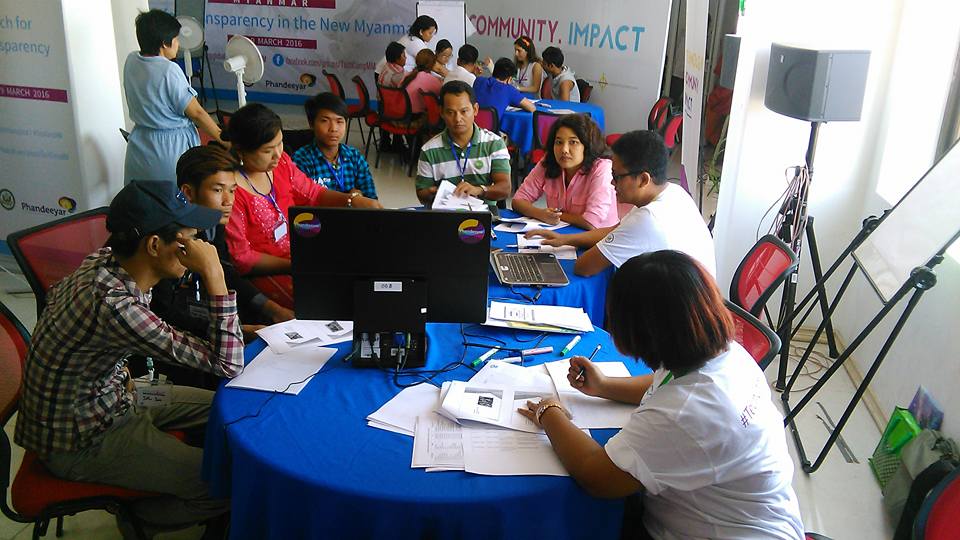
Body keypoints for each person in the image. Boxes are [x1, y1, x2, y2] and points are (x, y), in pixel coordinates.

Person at [518, 250, 805, 540]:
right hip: (757, 518)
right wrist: (604, 386)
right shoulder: (727, 355)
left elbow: (596, 477)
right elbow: (664, 384)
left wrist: (549, 412)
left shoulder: (686, 412)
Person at [15, 180, 244, 539]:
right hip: (84, 440)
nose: (200, 247)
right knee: (233, 482)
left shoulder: (106, 260)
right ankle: (140, 518)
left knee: (228, 406)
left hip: (115, 398)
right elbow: (228, 364)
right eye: (188, 239)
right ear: (154, 245)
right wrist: (213, 273)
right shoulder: (115, 306)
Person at [222, 104, 381, 306]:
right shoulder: (232, 192)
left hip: (299, 251)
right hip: (271, 269)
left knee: (359, 268)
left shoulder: (281, 165)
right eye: (268, 150)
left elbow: (313, 194)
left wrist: (352, 201)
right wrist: (293, 265)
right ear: (241, 150)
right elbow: (242, 258)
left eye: (280, 144)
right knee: (329, 300)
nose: (278, 155)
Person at [152, 145, 295, 346]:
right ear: (188, 193)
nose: (229, 201)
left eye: (233, 190)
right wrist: (236, 330)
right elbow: (163, 312)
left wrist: (273, 309)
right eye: (218, 190)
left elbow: (227, 273)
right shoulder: (171, 237)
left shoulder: (213, 224)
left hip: (207, 319)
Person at [526, 130, 715, 277]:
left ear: (643, 179)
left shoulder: (648, 219)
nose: (611, 183)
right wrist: (565, 239)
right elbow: (616, 230)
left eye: (616, 176)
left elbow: (584, 267)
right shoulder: (673, 192)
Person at [123, 9, 224, 183]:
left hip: (138, 147)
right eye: (176, 39)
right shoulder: (169, 70)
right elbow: (197, 113)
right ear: (164, 43)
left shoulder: (131, 60)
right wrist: (223, 139)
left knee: (141, 202)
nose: (178, 44)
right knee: (175, 203)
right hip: (168, 151)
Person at [415, 81, 511, 208]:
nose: (458, 119)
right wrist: (433, 192)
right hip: (445, 214)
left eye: (464, 111)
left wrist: (480, 190)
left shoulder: (494, 144)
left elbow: (505, 188)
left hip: (483, 215)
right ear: (441, 112)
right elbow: (421, 194)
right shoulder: (429, 150)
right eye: (450, 112)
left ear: (475, 109)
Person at [512, 114, 617, 229]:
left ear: (587, 146)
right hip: (562, 235)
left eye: (573, 142)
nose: (564, 150)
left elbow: (591, 222)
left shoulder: (602, 168)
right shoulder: (549, 161)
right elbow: (518, 200)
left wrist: (556, 216)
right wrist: (541, 214)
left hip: (599, 240)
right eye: (559, 142)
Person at [292, 93, 379, 199]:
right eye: (325, 121)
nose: (333, 128)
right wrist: (352, 198)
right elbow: (302, 202)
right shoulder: (302, 160)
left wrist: (360, 197)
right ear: (311, 123)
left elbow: (371, 197)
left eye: (339, 121)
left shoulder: (354, 157)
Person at [406, 49, 444, 114]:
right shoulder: (432, 80)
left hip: (405, 112)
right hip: (418, 115)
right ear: (433, 64)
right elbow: (443, 94)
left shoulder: (408, 75)